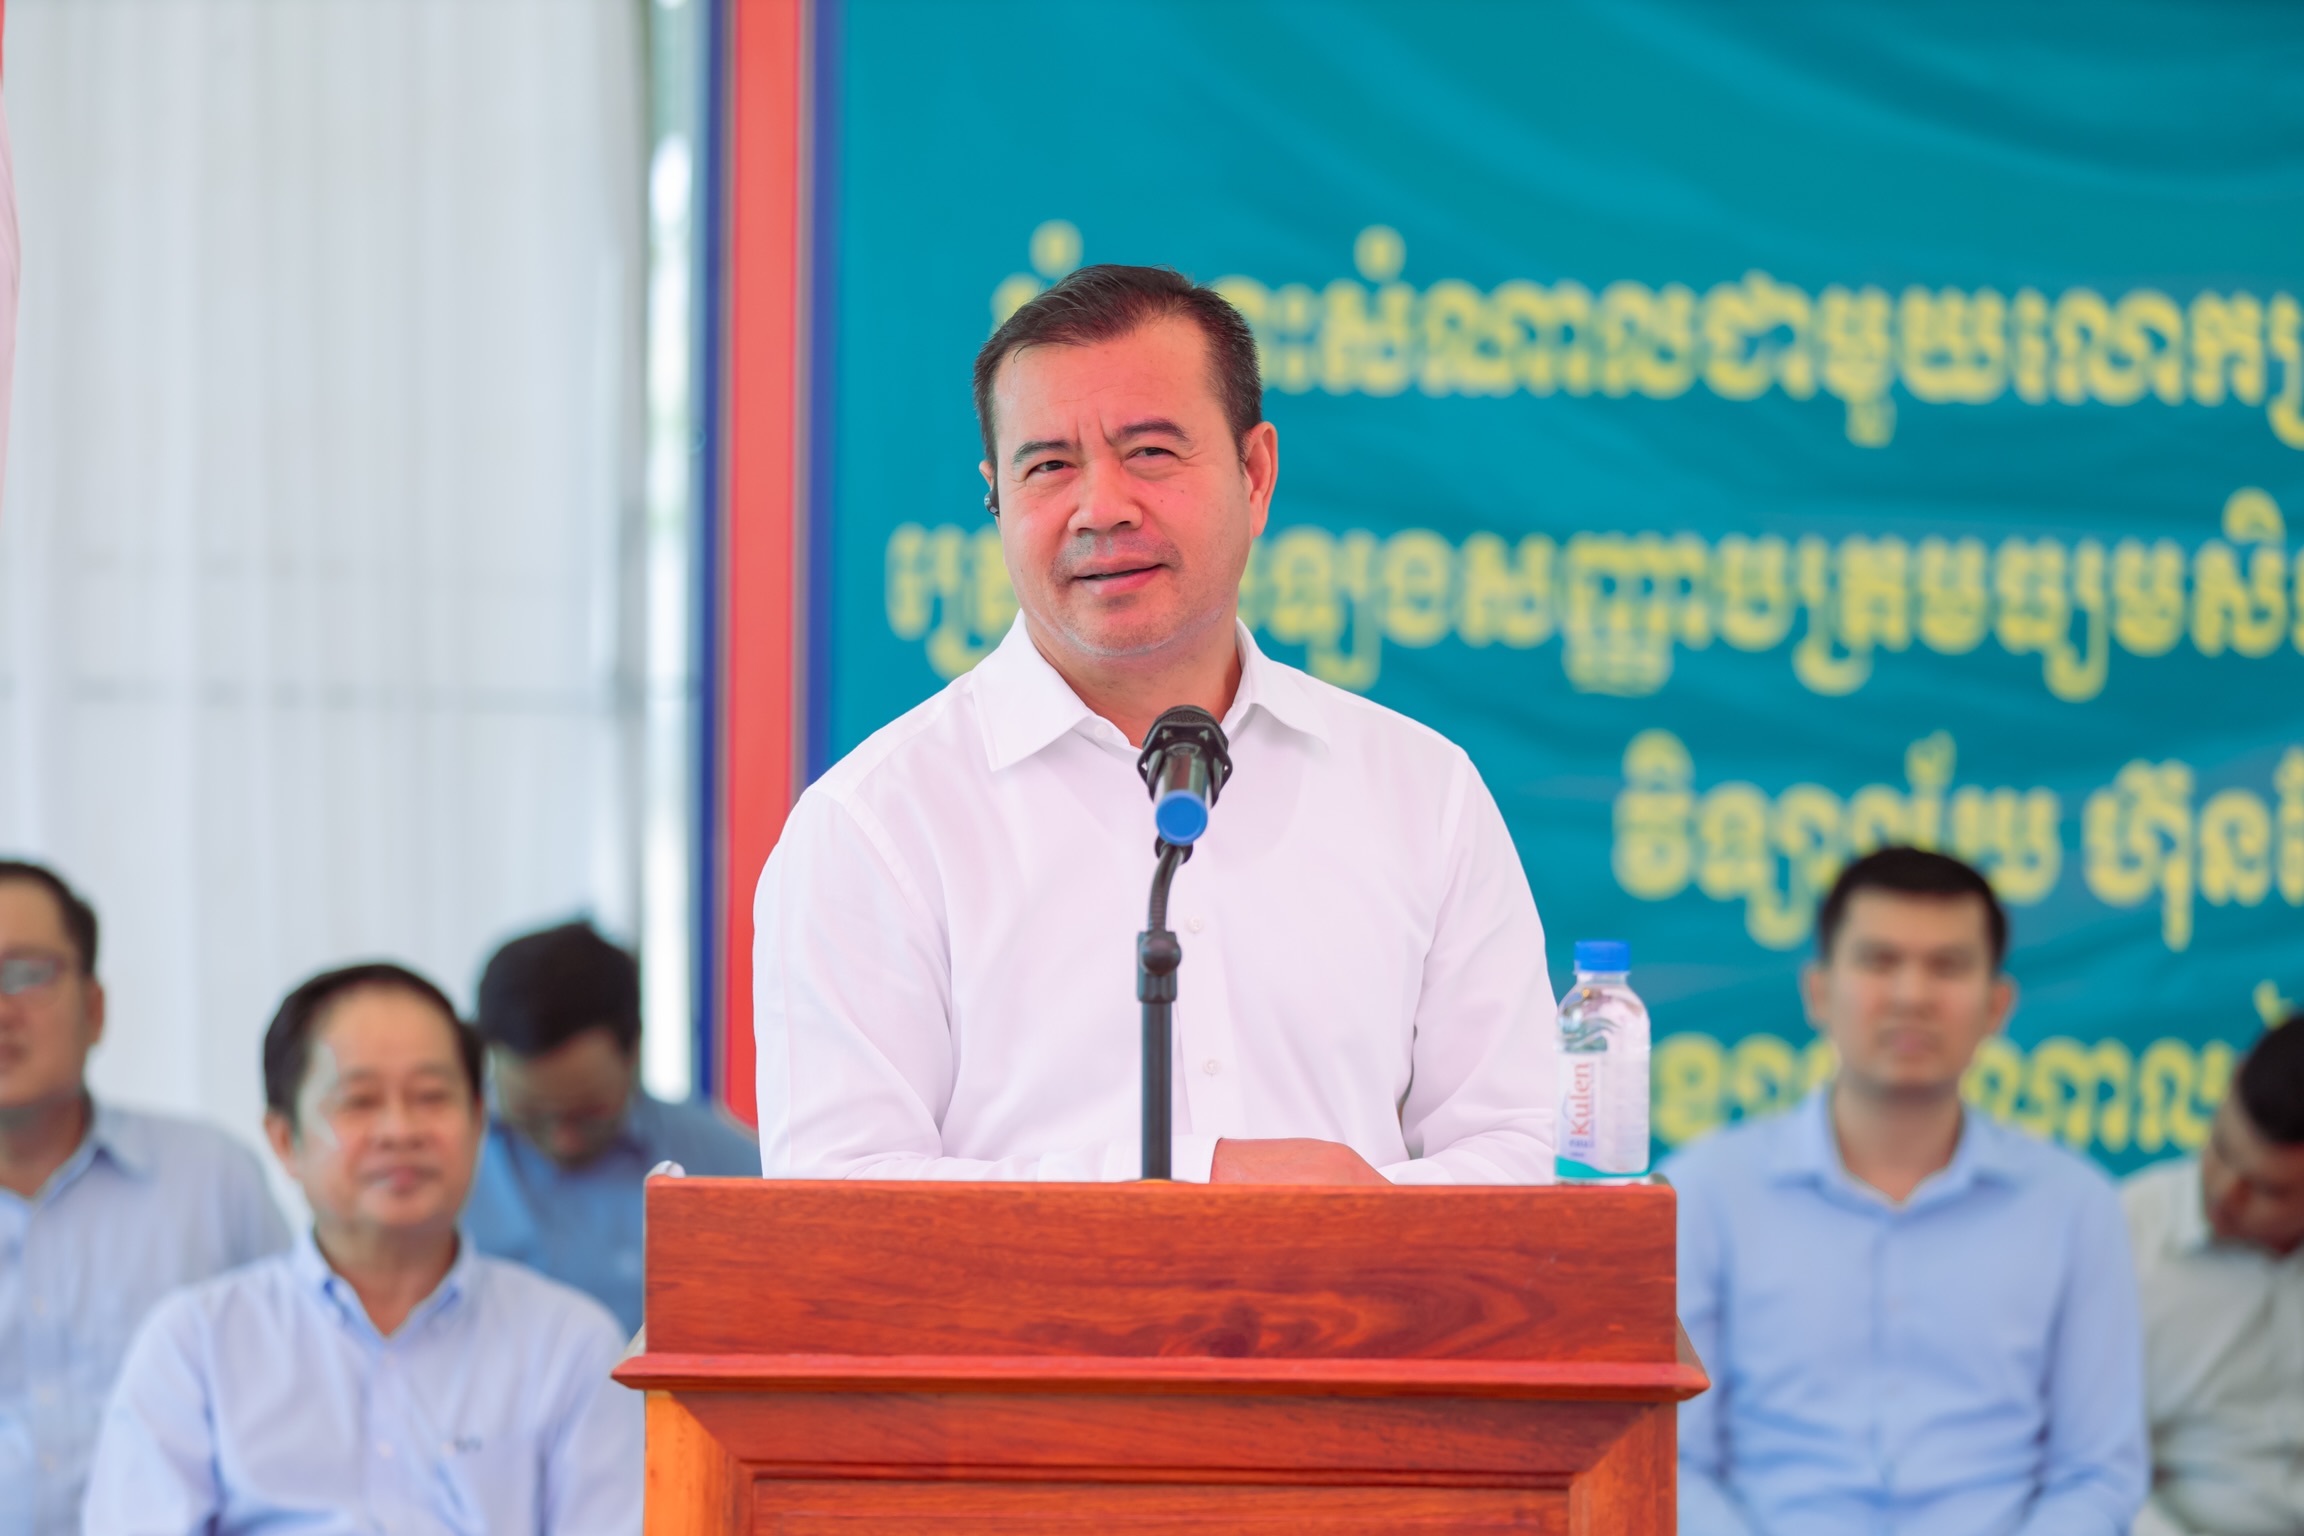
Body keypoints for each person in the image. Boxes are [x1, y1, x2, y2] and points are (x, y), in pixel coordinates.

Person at [753, 264, 1554, 1184]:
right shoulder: (875, 826)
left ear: (1256, 475)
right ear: (996, 498)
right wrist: (1195, 1192)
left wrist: (1343, 1222)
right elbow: (836, 1200)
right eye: (1048, 467)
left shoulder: (1420, 789)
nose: (1101, 508)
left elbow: (1523, 1148)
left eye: (1150, 453)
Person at [1668, 847, 2146, 1536]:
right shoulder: (1706, 1193)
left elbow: (2097, 1474)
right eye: (1879, 961)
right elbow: (1674, 1457)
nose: (1912, 995)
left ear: (1998, 1004)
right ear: (1818, 992)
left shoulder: (2075, 1206)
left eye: (1947, 966)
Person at [83, 962, 640, 1535]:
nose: (400, 1130)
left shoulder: (571, 1345)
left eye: (431, 1096)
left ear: (478, 1120)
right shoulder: (195, 1345)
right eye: (360, 1101)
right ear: (285, 1140)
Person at [0, 858, 286, 1536]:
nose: (3, 1011)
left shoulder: (213, 1179)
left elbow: (294, 1400)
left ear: (95, 1009)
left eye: (27, 974)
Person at [463, 920, 757, 1336]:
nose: (563, 1140)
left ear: (634, 1049)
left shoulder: (732, 1171)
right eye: (530, 1114)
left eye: (590, 1111)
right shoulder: (444, 1168)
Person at [2122, 1015, 2304, 1536]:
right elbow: (2079, 1468)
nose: (2225, 1190)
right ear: (2232, 1078)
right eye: (2220, 1147)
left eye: (2268, 1190)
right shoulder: (2120, 1243)